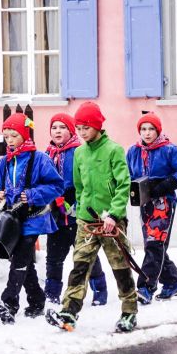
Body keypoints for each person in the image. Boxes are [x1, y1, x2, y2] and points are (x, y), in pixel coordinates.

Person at [46, 102, 138, 333]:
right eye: (78, 128)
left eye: (86, 127)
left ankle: (129, 311)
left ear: (97, 126)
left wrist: (115, 214)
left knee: (120, 267)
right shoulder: (79, 152)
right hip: (87, 221)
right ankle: (69, 311)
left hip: (110, 221)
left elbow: (123, 184)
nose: (82, 132)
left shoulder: (114, 150)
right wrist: (80, 210)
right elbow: (79, 186)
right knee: (80, 265)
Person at [0, 113, 64, 324]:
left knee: (21, 258)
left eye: (14, 135)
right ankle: (37, 300)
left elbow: (56, 186)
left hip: (34, 218)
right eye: (6, 137)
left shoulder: (39, 159)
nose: (10, 140)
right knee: (23, 262)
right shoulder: (4, 162)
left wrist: (32, 195)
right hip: (13, 220)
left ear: (24, 135)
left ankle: (9, 303)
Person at [126, 113, 177, 304]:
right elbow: (127, 173)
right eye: (143, 129)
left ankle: (145, 287)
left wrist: (166, 184)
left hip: (164, 201)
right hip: (144, 201)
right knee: (154, 244)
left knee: (155, 244)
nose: (147, 133)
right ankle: (172, 281)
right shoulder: (133, 151)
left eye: (151, 129)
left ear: (158, 130)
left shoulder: (170, 149)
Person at [43, 113, 107, 306]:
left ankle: (100, 291)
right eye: (54, 127)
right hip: (55, 213)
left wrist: (78, 206)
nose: (57, 131)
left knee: (86, 255)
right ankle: (51, 294)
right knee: (53, 257)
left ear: (71, 131)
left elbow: (87, 183)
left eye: (62, 127)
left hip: (77, 212)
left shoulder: (80, 152)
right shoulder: (47, 154)